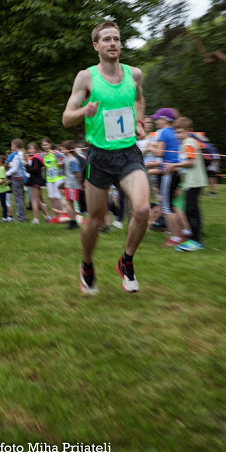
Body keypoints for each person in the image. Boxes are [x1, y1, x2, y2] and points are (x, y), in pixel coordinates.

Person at [62, 21, 149, 294]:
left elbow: (139, 99)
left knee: (142, 209)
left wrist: (139, 121)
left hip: (128, 153)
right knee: (95, 221)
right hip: (99, 156)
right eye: (107, 39)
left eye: (117, 39)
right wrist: (83, 111)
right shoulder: (86, 78)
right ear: (96, 45)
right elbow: (66, 118)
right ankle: (87, 265)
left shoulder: (134, 74)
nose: (113, 43)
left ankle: (126, 261)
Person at [165, 117, 208, 251]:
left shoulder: (188, 142)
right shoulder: (184, 143)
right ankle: (195, 237)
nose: (177, 135)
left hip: (194, 182)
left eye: (180, 132)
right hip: (190, 182)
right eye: (176, 132)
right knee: (191, 209)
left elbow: (191, 162)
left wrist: (174, 166)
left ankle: (195, 240)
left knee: (191, 210)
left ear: (189, 131)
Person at [151, 107, 183, 247]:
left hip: (168, 172)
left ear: (164, 119)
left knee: (166, 207)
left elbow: (159, 153)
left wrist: (150, 147)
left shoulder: (164, 132)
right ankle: (180, 233)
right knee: (171, 205)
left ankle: (175, 237)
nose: (156, 121)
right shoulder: (175, 132)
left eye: (157, 119)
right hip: (177, 171)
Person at [26, 142, 51, 223]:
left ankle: (36, 219)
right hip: (34, 180)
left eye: (32, 148)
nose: (30, 150)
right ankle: (47, 217)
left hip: (35, 181)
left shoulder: (36, 158)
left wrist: (26, 165)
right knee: (38, 200)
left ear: (36, 149)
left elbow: (35, 170)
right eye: (29, 148)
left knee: (34, 200)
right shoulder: (33, 158)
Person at [61, 140, 82, 230]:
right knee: (70, 203)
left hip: (72, 185)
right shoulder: (67, 159)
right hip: (69, 184)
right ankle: (73, 222)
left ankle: (73, 222)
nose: (62, 151)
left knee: (69, 204)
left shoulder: (73, 160)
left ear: (67, 149)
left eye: (63, 149)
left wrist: (80, 184)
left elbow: (77, 173)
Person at [41, 138, 65, 216]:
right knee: (51, 197)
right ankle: (54, 215)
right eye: (43, 145)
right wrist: (42, 167)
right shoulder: (42, 155)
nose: (45, 146)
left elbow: (66, 157)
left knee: (57, 196)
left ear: (50, 145)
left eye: (46, 144)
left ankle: (62, 213)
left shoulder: (55, 153)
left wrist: (61, 163)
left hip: (58, 177)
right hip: (49, 178)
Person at [6, 139, 27, 222]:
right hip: (22, 178)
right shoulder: (22, 154)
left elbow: (14, 169)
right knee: (21, 198)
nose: (11, 146)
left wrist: (7, 173)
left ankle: (20, 218)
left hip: (16, 178)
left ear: (15, 144)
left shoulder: (16, 155)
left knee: (18, 199)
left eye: (12, 144)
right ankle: (23, 216)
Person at [0, 155, 10, 221]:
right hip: (1, 189)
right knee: (3, 203)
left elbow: (3, 180)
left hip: (2, 190)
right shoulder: (2, 168)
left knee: (3, 203)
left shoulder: (1, 168)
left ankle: (5, 217)